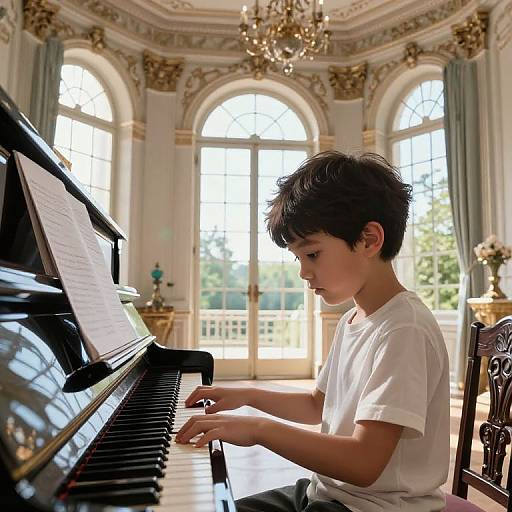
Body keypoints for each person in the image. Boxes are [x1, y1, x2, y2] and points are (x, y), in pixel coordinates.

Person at [176, 151, 450, 512]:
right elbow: (316, 405)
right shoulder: (354, 320)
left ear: (369, 239)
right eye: (298, 258)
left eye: (313, 254)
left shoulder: (403, 329)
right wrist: (247, 395)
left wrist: (260, 430)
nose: (303, 272)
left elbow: (365, 463)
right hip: (329, 494)